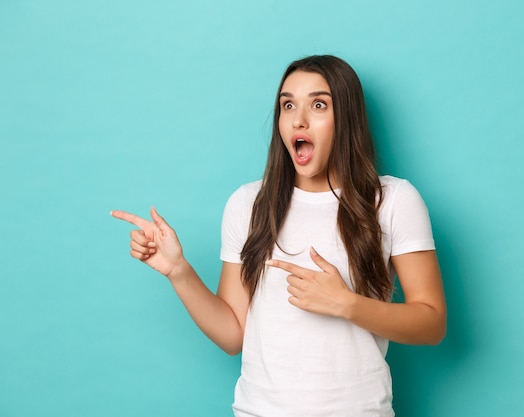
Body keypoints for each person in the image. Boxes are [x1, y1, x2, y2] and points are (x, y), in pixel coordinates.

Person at [111, 55, 446, 417]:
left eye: (318, 105)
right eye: (288, 105)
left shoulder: (392, 201)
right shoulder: (248, 204)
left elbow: (432, 323)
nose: (298, 119)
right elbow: (232, 335)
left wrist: (346, 304)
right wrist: (179, 272)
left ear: (347, 118)